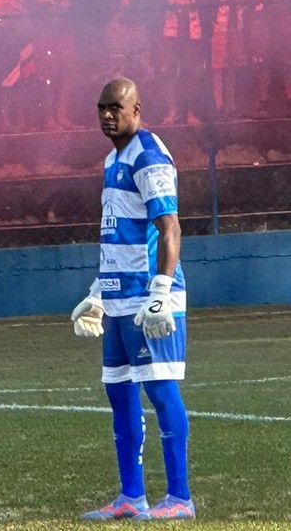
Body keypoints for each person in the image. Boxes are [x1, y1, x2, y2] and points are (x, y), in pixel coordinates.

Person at [70, 77, 194, 521]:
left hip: (149, 300)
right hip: (120, 301)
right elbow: (119, 235)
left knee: (161, 390)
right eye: (101, 107)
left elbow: (170, 227)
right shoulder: (111, 160)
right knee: (118, 392)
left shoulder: (149, 155)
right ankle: (131, 497)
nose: (106, 115)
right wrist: (98, 292)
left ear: (137, 110)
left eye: (115, 108)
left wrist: (161, 291)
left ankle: (180, 498)